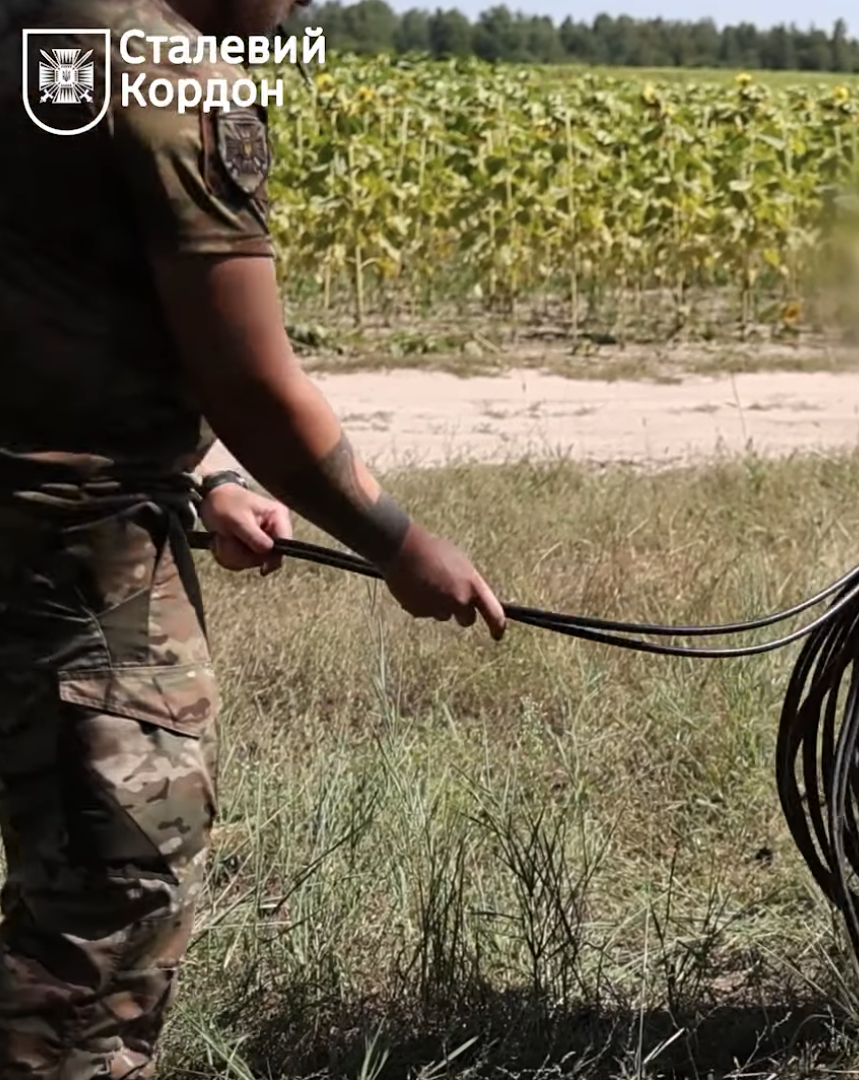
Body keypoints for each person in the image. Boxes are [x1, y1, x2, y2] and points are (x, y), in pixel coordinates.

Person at [0, 0, 509, 1074]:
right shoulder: (168, 80)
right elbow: (253, 387)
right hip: (72, 561)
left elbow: (52, 303)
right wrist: (400, 543)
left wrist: (203, 477)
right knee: (107, 904)